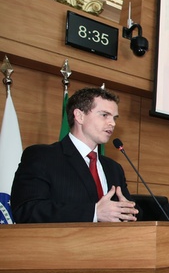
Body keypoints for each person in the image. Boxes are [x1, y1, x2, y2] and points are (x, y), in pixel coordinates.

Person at [11, 87, 138, 223]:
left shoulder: (113, 168)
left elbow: (133, 211)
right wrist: (94, 213)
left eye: (114, 118)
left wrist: (128, 212)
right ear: (79, 116)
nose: (112, 123)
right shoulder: (43, 157)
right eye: (104, 115)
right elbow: (27, 210)